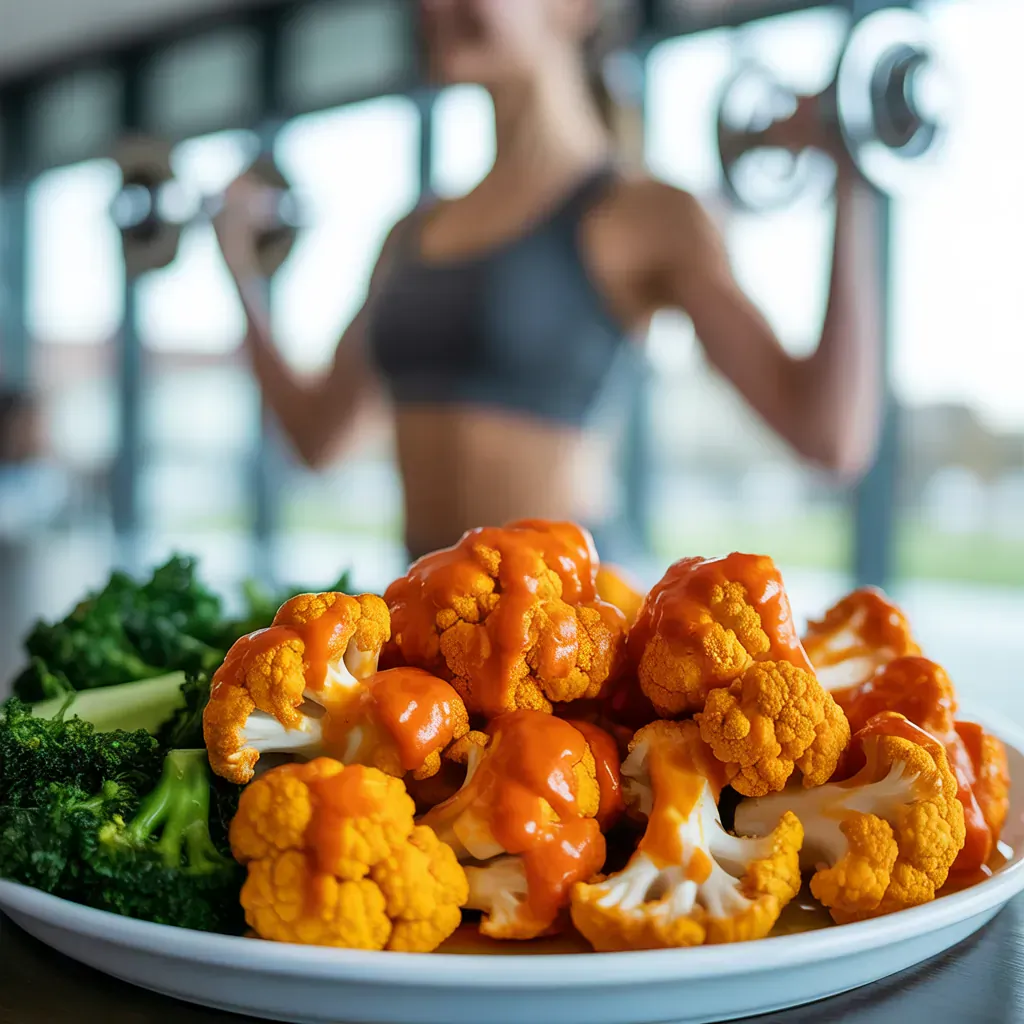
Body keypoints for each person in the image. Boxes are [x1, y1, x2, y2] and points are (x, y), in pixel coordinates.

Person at [214, 0, 881, 562]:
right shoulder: (409, 234)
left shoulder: (646, 213)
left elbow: (829, 436)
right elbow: (318, 440)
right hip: (431, 628)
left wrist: (852, 170)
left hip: (571, 633)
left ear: (576, 8)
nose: (434, 7)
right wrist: (243, 275)